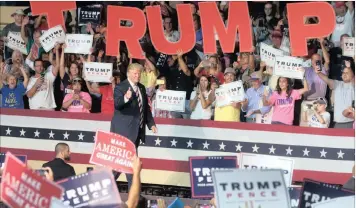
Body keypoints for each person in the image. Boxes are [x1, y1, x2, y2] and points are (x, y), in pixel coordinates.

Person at [111, 63, 157, 189]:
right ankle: (133, 193)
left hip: (136, 131)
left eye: (139, 73)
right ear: (129, 73)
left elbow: (145, 108)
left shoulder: (141, 87)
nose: (138, 76)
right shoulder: (121, 87)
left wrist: (151, 124)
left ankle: (108, 187)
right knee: (129, 163)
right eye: (135, 73)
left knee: (123, 163)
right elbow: (117, 104)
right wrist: (126, 98)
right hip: (124, 131)